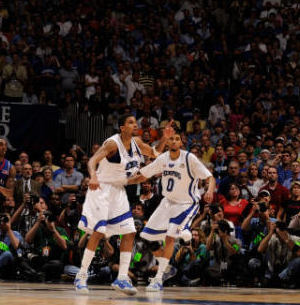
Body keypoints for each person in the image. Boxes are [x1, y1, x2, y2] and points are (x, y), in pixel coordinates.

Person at [74, 116, 171, 295]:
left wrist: (164, 137)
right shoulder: (112, 144)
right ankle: (81, 275)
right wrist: (93, 176)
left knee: (130, 232)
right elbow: (92, 160)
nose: (136, 125)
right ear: (122, 127)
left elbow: (155, 152)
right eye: (131, 122)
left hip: (118, 191)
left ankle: (122, 278)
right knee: (98, 232)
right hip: (101, 189)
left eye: (136, 122)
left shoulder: (137, 142)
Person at [126, 132, 215, 292]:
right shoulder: (163, 158)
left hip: (186, 203)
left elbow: (210, 177)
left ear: (181, 142)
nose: (173, 141)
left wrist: (209, 190)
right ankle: (167, 267)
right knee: (146, 237)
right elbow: (142, 175)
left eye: (177, 138)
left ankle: (158, 278)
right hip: (167, 203)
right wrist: (123, 181)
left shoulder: (189, 158)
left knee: (170, 235)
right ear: (166, 142)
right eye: (170, 138)